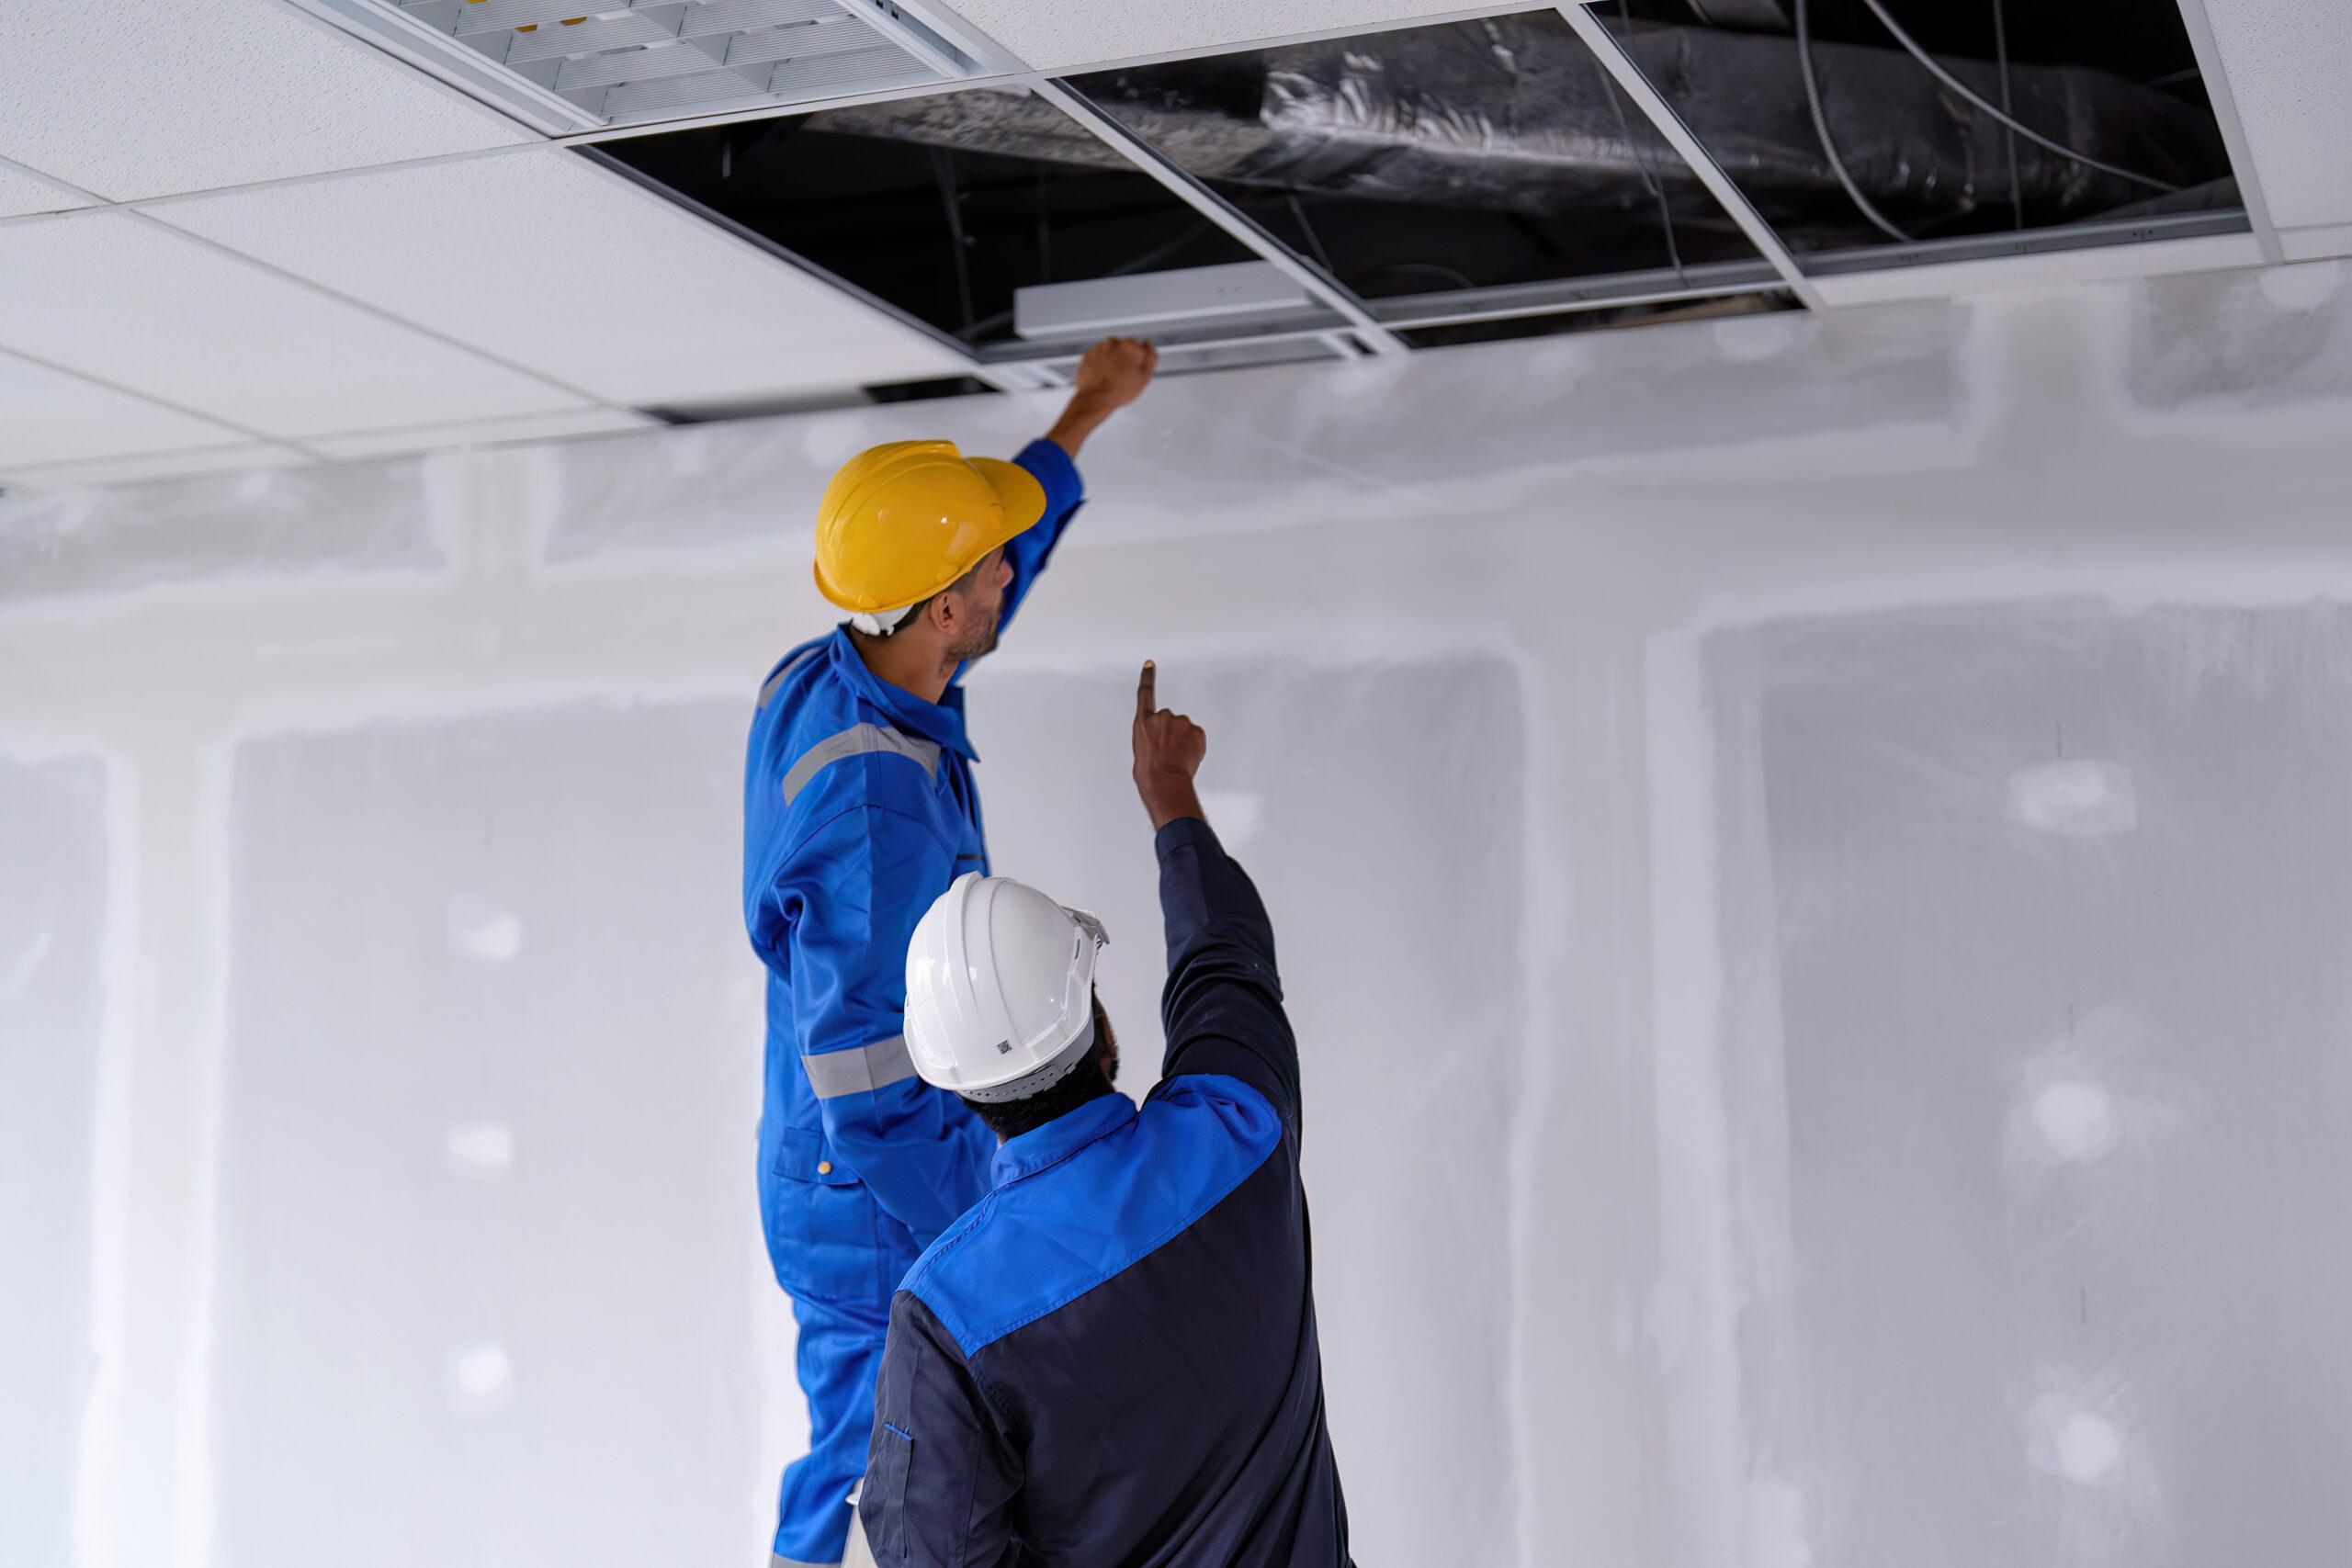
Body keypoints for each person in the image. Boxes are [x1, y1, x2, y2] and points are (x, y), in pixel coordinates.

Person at [742, 339, 1159, 1568]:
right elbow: (870, 1102)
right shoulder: (876, 812)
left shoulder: (848, 667)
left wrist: (1082, 416)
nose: (1002, 581)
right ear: (939, 608)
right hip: (860, 1190)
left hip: (855, 1151)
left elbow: (990, 567)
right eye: (986, 574)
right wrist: (997, 1225)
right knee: (864, 1459)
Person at [862, 660, 1352, 1567]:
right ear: (1092, 1012)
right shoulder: (1238, 1134)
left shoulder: (947, 1313)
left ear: (959, 1089)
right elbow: (1225, 964)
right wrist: (1169, 795)